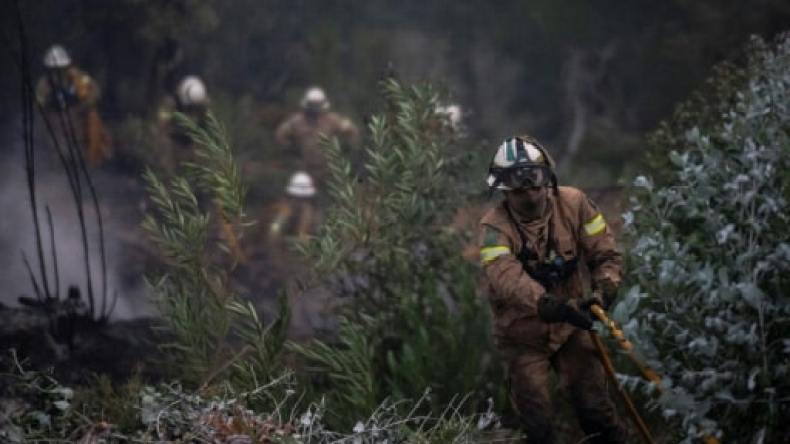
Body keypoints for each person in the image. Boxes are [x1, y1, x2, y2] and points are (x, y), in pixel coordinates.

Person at [478, 135, 628, 443]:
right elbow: (506, 279)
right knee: (538, 425)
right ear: (504, 190)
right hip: (523, 338)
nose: (532, 194)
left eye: (537, 183)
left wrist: (604, 289)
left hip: (572, 329)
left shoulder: (575, 204)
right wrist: (550, 305)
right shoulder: (494, 229)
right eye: (520, 188)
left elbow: (605, 254)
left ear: (549, 179)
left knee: (597, 412)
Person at [35, 44, 111, 167]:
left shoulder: (79, 79)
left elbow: (94, 92)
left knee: (93, 126)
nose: (57, 72)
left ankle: (94, 160)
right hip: (55, 119)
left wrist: (84, 106)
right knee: (58, 150)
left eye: (60, 68)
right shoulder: (44, 84)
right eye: (53, 69)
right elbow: (39, 104)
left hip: (78, 116)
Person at [274, 86, 359, 188]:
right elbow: (280, 134)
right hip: (305, 169)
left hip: (329, 170)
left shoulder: (332, 120)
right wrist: (291, 151)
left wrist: (346, 149)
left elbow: (351, 130)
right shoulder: (296, 121)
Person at [156, 75, 210, 171]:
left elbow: (206, 126)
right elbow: (162, 125)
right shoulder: (170, 103)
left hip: (192, 142)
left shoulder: (203, 104)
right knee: (169, 169)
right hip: (173, 140)